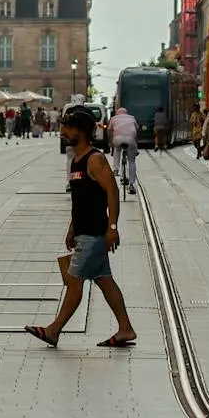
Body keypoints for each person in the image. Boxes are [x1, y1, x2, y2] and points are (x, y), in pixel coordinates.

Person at [23, 109, 138, 350]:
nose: (63, 132)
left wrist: (112, 228)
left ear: (81, 131)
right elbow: (81, 200)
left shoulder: (94, 159)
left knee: (74, 282)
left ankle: (53, 331)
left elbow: (113, 192)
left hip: (94, 234)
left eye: (67, 127)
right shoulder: (77, 158)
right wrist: (71, 228)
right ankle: (125, 328)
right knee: (105, 281)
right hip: (84, 231)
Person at [108, 106, 139, 194]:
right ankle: (131, 184)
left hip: (117, 139)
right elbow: (137, 130)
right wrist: (136, 144)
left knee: (116, 150)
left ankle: (116, 168)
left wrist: (110, 143)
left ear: (117, 113)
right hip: (130, 139)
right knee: (131, 161)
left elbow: (109, 131)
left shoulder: (114, 118)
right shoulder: (132, 118)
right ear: (126, 113)